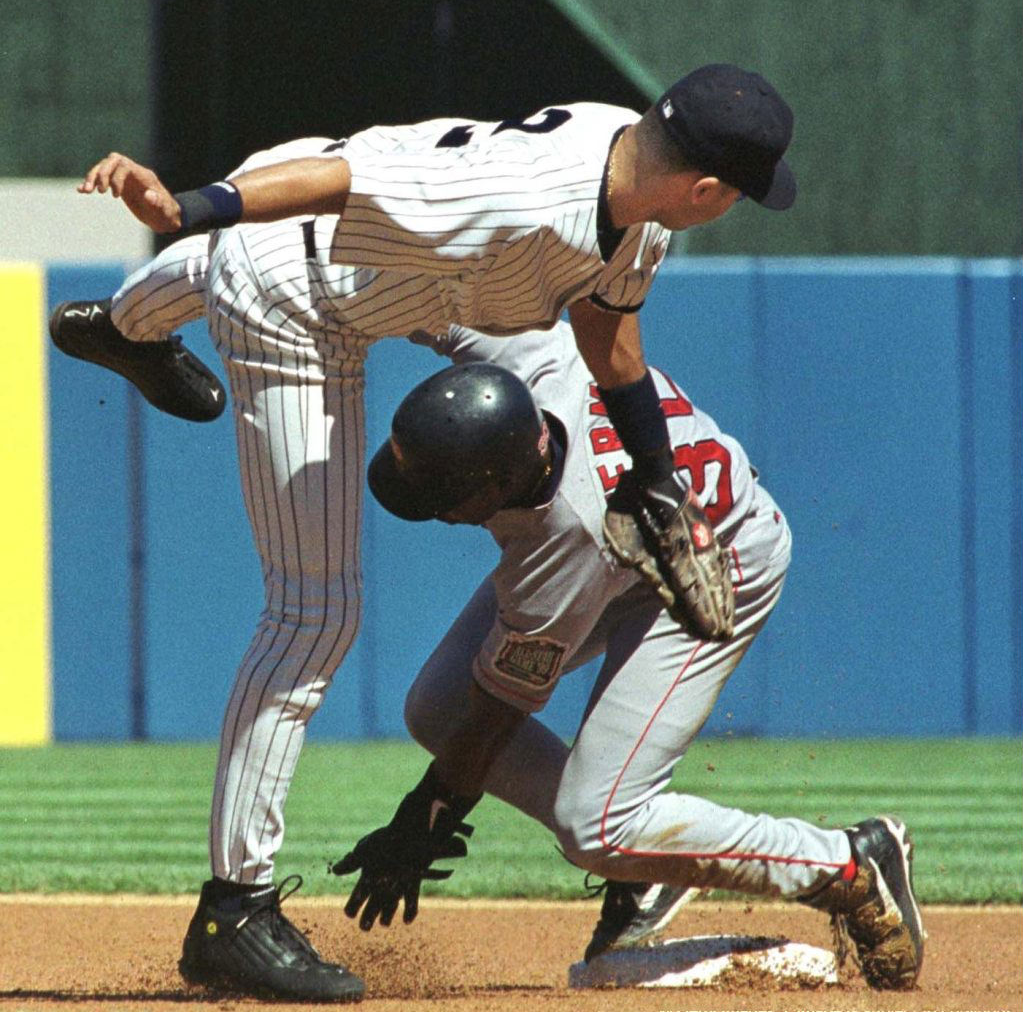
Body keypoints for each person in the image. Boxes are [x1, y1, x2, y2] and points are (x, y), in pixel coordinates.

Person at [68, 62, 798, 643]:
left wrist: (655, 472)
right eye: (740, 193)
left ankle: (123, 329)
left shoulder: (630, 172)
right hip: (316, 255)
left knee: (255, 271)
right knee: (314, 617)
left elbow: (609, 342)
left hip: (421, 274)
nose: (739, 204)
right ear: (704, 189)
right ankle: (131, 325)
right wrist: (185, 209)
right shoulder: (525, 196)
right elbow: (344, 180)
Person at [328, 321, 925, 992]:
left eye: (445, 498)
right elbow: (442, 289)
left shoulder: (558, 543)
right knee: (437, 706)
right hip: (627, 540)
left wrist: (424, 815)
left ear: (496, 482)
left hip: (714, 563)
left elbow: (496, 715)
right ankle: (648, 871)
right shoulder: (524, 353)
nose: (434, 513)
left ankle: (844, 863)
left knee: (598, 826)